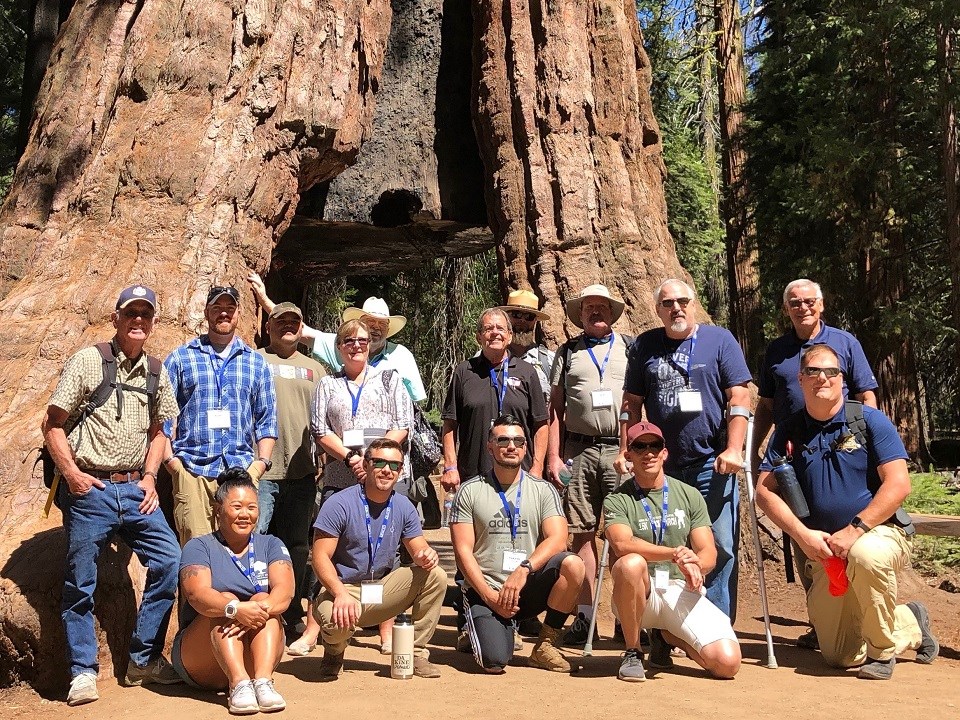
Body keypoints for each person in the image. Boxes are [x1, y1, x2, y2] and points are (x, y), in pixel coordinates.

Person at [756, 344, 939, 680]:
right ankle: (910, 621)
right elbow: (764, 493)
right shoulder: (789, 430)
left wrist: (855, 530)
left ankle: (883, 654)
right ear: (800, 378)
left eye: (832, 371)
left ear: (842, 378)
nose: (822, 378)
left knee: (865, 556)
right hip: (823, 548)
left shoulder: (869, 420)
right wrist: (803, 535)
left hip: (877, 532)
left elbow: (898, 484)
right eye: (813, 371)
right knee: (839, 655)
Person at [41, 285, 183, 705]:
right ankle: (83, 672)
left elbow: (161, 430)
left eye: (146, 314)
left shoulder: (157, 371)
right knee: (80, 582)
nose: (138, 320)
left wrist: (152, 477)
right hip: (92, 489)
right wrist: (71, 474)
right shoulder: (89, 361)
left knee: (170, 561)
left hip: (136, 488)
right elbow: (52, 424)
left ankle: (143, 658)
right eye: (131, 313)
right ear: (116, 318)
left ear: (153, 322)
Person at [754, 278, 879, 650]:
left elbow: (866, 393)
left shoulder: (844, 343)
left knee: (852, 535)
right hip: (796, 456)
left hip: (845, 449)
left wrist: (866, 444)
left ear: (821, 305)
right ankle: (820, 620)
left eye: (809, 301)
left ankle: (861, 618)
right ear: (786, 308)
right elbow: (766, 405)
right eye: (794, 302)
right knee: (804, 532)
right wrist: (755, 450)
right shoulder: (776, 351)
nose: (802, 306)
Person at [616, 279, 751, 621]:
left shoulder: (720, 340)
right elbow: (631, 403)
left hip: (712, 463)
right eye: (667, 303)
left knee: (718, 545)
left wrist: (735, 448)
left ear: (694, 304)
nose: (676, 307)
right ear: (657, 310)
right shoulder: (645, 345)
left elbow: (740, 397)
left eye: (682, 301)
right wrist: (625, 449)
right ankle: (663, 621)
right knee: (664, 540)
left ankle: (715, 622)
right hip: (662, 467)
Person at [288, 318, 412, 656]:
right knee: (329, 552)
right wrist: (350, 459)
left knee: (389, 551)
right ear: (339, 347)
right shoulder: (328, 384)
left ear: (370, 343)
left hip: (386, 475)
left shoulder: (389, 379)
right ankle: (314, 629)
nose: (355, 345)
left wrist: (373, 459)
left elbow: (403, 425)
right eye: (347, 340)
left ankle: (387, 630)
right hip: (342, 476)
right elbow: (319, 428)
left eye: (361, 339)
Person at [604, 421, 741, 682]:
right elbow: (622, 545)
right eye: (639, 447)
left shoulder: (689, 495)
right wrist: (674, 553)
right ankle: (633, 651)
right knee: (631, 563)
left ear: (665, 453)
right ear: (628, 455)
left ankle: (667, 636)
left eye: (655, 445)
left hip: (679, 590)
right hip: (638, 594)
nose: (648, 453)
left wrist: (695, 565)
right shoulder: (617, 499)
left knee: (727, 664)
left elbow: (708, 553)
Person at [450, 415, 585, 674]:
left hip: (526, 586)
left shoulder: (544, 490)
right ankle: (478, 627)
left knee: (573, 564)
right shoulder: (470, 491)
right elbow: (462, 552)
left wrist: (523, 569)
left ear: (525, 447)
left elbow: (558, 539)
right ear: (490, 446)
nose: (511, 446)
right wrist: (490, 597)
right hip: (487, 589)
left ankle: (546, 645)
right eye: (503, 440)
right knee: (494, 662)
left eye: (518, 441)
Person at [311, 439, 447, 680]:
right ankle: (334, 652)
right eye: (380, 462)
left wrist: (426, 555)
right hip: (345, 590)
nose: (387, 470)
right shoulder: (339, 503)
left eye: (394, 465)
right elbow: (320, 557)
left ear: (401, 471)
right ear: (365, 464)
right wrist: (340, 592)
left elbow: (418, 549)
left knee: (436, 575)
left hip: (382, 590)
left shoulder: (404, 506)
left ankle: (414, 653)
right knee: (334, 621)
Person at [544, 284, 630, 645]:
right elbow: (555, 409)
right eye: (589, 308)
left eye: (602, 307)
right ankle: (586, 617)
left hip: (620, 452)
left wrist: (632, 449)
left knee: (624, 535)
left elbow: (639, 401)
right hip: (577, 451)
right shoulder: (568, 352)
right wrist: (552, 455)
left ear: (611, 312)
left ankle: (628, 618)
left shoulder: (629, 348)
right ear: (580, 315)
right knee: (580, 534)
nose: (596, 312)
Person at [163, 285, 277, 544]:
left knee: (239, 550)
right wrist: (173, 464)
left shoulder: (256, 362)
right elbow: (163, 416)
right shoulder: (181, 359)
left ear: (238, 313)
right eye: (217, 308)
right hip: (193, 471)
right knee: (194, 551)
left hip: (241, 473)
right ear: (206, 312)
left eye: (230, 308)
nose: (223, 314)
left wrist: (259, 466)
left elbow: (267, 419)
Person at [175, 469, 295, 713]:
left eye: (251, 507)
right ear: (218, 511)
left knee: (265, 598)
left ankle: (262, 681)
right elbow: (197, 595)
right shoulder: (199, 547)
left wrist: (257, 610)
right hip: (201, 658)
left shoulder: (271, 544)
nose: (245, 514)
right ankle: (239, 683)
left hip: (256, 651)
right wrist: (235, 609)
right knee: (224, 601)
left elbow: (285, 590)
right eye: (237, 506)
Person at [255, 301, 326, 644]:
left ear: (301, 328)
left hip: (302, 472)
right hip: (261, 470)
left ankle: (292, 611)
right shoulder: (254, 360)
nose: (288, 327)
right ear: (268, 327)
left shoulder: (316, 369)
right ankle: (255, 608)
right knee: (254, 540)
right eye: (281, 322)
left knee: (296, 545)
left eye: (294, 322)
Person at [247, 272, 426, 402]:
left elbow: (415, 402)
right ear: (359, 323)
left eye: (382, 324)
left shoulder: (402, 356)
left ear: (388, 328)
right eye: (371, 322)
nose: (376, 328)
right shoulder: (341, 346)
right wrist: (263, 299)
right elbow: (299, 329)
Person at [441, 308, 548, 492]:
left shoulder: (527, 372)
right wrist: (451, 466)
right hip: (474, 476)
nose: (495, 333)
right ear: (479, 337)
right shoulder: (464, 371)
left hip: (520, 475)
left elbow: (541, 424)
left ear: (509, 335)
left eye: (501, 328)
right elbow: (450, 424)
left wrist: (537, 468)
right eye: (488, 328)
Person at [496, 289, 555, 401]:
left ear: (535, 321)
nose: (522, 321)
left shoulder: (549, 361)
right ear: (506, 317)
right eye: (516, 314)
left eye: (529, 316)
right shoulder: (487, 357)